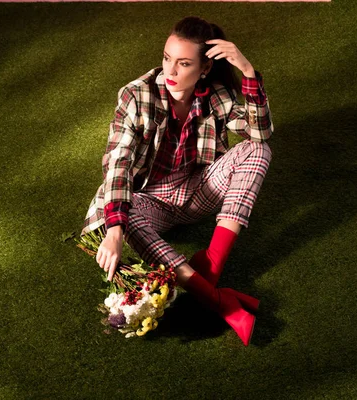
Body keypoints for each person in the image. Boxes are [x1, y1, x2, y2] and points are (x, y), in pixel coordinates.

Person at [81, 16, 273, 346]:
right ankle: (218, 300)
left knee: (258, 150)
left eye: (184, 64)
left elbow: (260, 133)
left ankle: (210, 268)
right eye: (167, 58)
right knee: (125, 218)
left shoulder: (214, 94)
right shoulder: (136, 96)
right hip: (150, 200)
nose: (170, 72)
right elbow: (118, 163)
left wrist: (248, 71)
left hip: (198, 192)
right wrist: (113, 232)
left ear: (204, 69)